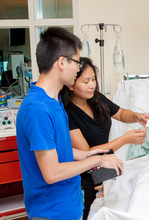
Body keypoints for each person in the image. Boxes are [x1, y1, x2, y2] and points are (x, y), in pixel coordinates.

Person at [16, 27, 123, 220]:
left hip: (69, 204)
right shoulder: (38, 109)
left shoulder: (54, 102)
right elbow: (51, 172)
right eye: (77, 62)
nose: (78, 68)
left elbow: (56, 149)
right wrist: (97, 160)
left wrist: (88, 153)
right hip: (52, 212)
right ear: (62, 62)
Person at [60, 57, 149, 220]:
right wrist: (125, 139)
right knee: (94, 213)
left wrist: (137, 116)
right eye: (86, 81)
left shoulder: (96, 99)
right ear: (71, 84)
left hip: (105, 165)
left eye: (94, 79)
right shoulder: (67, 112)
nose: (92, 85)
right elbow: (87, 152)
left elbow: (122, 113)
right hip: (85, 175)